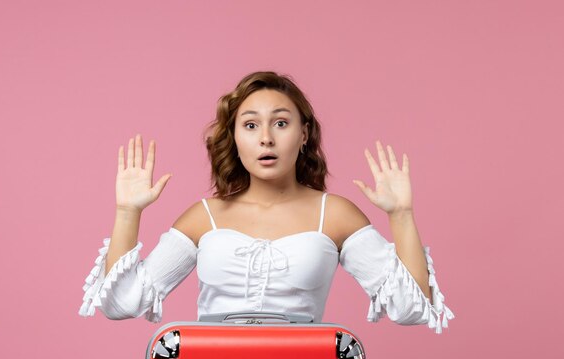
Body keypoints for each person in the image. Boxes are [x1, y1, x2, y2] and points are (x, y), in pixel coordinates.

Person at [79, 71, 454, 333]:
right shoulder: (203, 217)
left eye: (280, 123)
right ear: (235, 137)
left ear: (303, 134)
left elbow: (409, 308)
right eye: (251, 125)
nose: (266, 139)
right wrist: (127, 213)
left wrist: (402, 215)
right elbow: (123, 304)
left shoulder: (335, 214)